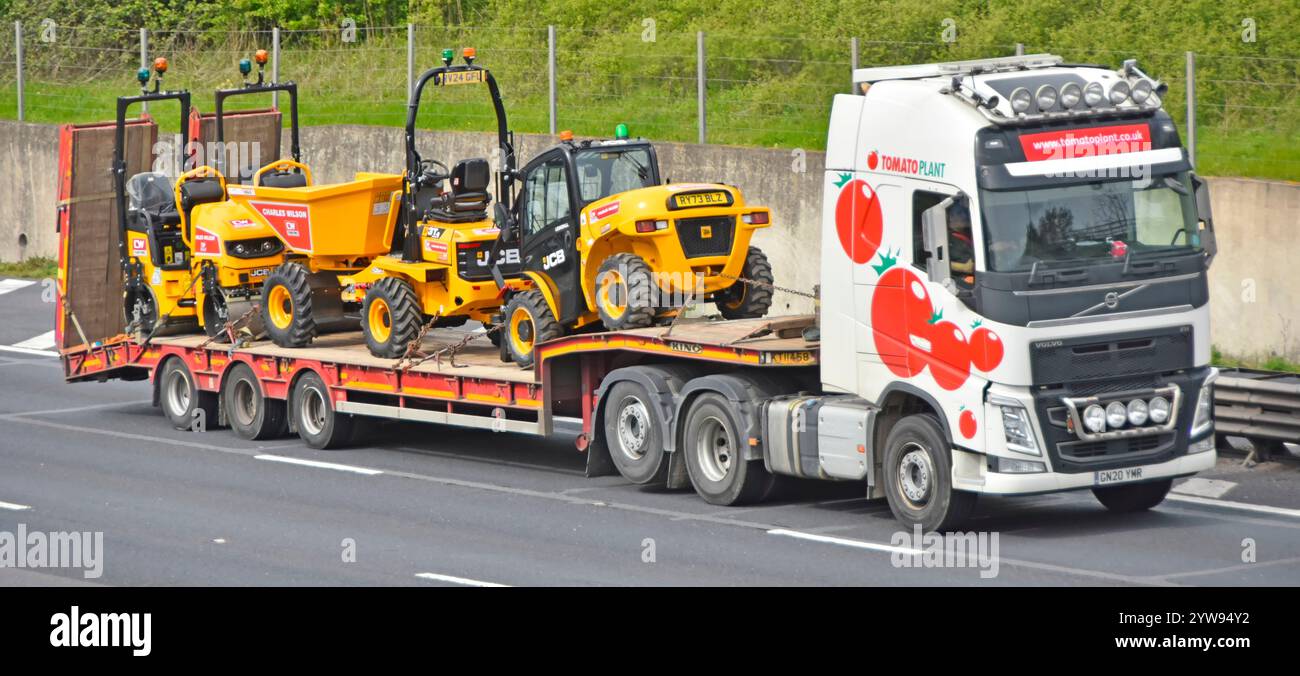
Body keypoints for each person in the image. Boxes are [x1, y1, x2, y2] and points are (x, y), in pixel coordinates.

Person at [947, 201, 975, 286]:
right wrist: (963, 267)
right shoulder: (946, 238)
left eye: (965, 212)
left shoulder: (972, 233)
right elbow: (969, 267)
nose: (964, 216)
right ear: (951, 217)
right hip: (960, 284)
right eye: (959, 213)